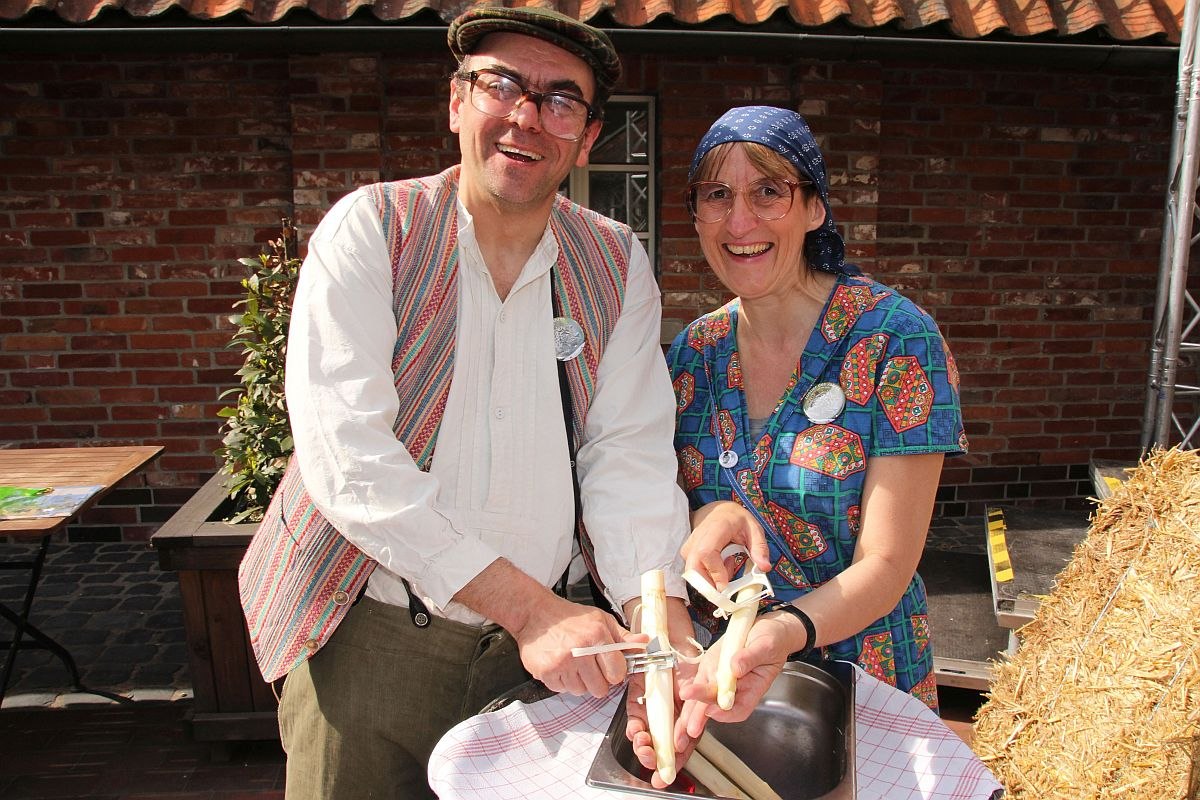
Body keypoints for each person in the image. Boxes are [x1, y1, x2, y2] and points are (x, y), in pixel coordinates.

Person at [235, 7, 693, 798]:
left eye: (559, 99)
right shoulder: (373, 229)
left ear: (586, 140)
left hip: (541, 665)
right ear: (456, 103)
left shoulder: (615, 262)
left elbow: (628, 456)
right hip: (371, 637)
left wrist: (660, 629)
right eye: (500, 85)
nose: (525, 116)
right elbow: (348, 460)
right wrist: (532, 611)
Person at [632, 105, 968, 784]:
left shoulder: (894, 340)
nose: (740, 222)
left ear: (814, 208)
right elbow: (673, 513)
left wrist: (784, 630)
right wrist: (706, 521)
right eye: (717, 196)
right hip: (727, 682)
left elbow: (887, 561)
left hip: (863, 679)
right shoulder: (695, 351)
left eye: (767, 192)